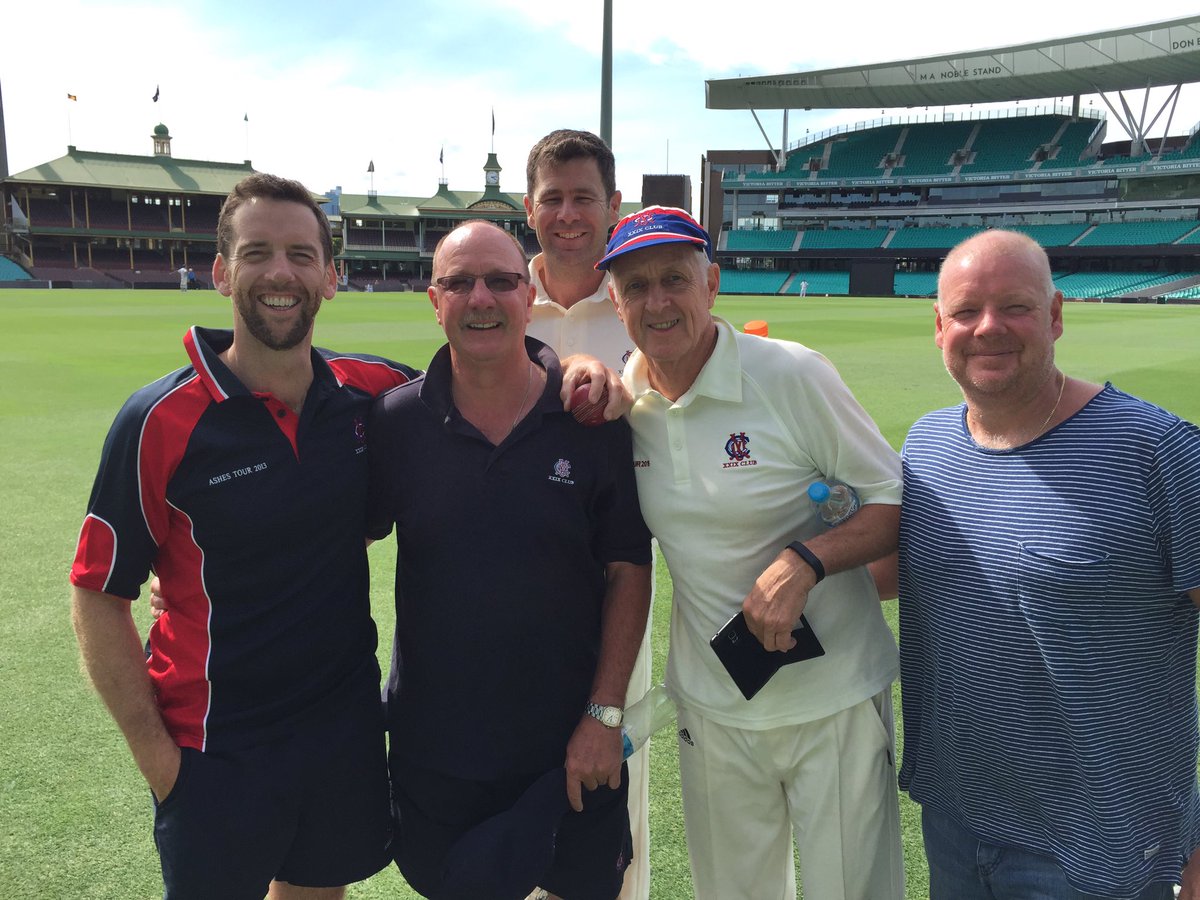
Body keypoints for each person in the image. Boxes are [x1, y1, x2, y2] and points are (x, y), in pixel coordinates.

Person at [70, 172, 420, 900]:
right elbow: (99, 594)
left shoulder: (373, 392)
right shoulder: (159, 420)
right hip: (213, 747)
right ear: (223, 272)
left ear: (331, 277)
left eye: (300, 254)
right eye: (257, 252)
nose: (280, 273)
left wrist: (574, 369)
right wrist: (161, 765)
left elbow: (486, 385)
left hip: (340, 731)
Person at [600, 206, 905, 900]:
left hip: (835, 700)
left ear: (712, 283)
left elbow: (897, 502)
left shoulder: (791, 374)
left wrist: (808, 560)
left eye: (674, 279)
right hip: (712, 705)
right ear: (615, 304)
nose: (658, 301)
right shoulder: (625, 406)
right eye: (636, 286)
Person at [890, 229, 1200, 900]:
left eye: (1016, 307)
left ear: (1056, 315)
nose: (989, 328)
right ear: (939, 327)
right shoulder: (926, 444)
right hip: (957, 825)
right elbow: (908, 577)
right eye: (967, 311)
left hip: (1105, 848)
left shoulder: (1157, 450)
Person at [366, 219, 653, 900]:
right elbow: (332, 541)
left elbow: (628, 570)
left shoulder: (590, 421)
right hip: (437, 751)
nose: (481, 298)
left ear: (529, 296)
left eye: (500, 280)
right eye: (459, 283)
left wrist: (604, 715)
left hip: (571, 744)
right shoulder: (394, 424)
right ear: (434, 302)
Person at [522, 128, 653, 900]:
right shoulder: (497, 292)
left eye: (584, 199)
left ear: (613, 207)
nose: (568, 215)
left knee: (612, 770)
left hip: (619, 575)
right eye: (553, 199)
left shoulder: (645, 293)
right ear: (530, 208)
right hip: (516, 573)